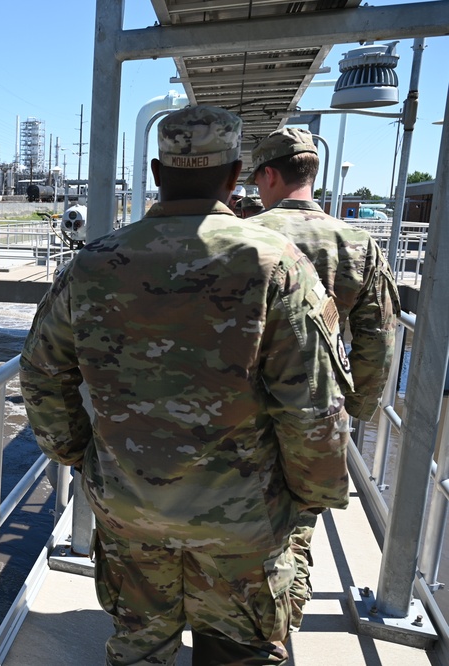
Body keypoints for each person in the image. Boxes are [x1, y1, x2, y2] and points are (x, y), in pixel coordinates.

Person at [19, 105, 352, 665]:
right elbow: (313, 406)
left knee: (140, 649)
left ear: (156, 172)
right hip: (242, 523)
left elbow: (40, 372)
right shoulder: (276, 264)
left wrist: (79, 455)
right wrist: (310, 499)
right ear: (235, 175)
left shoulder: (93, 263)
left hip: (129, 509)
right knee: (240, 653)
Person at [246, 126, 400, 631]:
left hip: (243, 410)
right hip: (318, 410)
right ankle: (277, 629)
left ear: (269, 175)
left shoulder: (245, 235)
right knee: (298, 524)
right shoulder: (357, 243)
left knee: (240, 517)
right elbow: (378, 339)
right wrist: (358, 407)